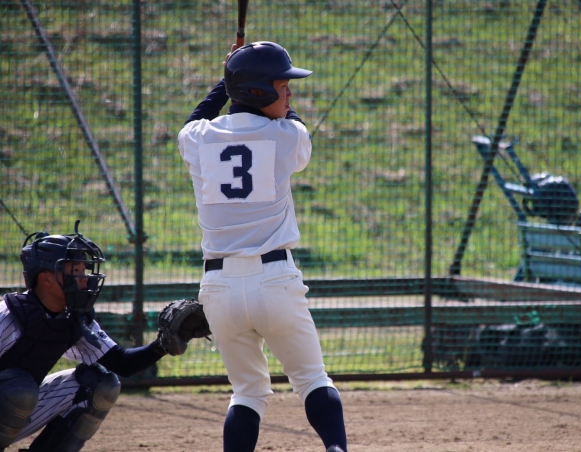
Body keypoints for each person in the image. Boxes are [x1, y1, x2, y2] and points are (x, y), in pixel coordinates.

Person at [177, 41, 348, 452]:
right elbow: (292, 123)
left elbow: (195, 119)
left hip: (219, 289)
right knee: (312, 379)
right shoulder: (287, 136)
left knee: (248, 392)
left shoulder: (196, 138)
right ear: (258, 91)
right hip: (274, 281)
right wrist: (234, 77)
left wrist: (225, 79)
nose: (289, 93)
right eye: (281, 85)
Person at [0, 220, 182, 452]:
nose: (84, 277)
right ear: (45, 279)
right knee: (19, 393)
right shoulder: (9, 316)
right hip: (10, 400)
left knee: (99, 385)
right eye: (74, 270)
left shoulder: (72, 317)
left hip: (12, 408)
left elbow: (121, 363)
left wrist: (162, 344)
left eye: (83, 270)